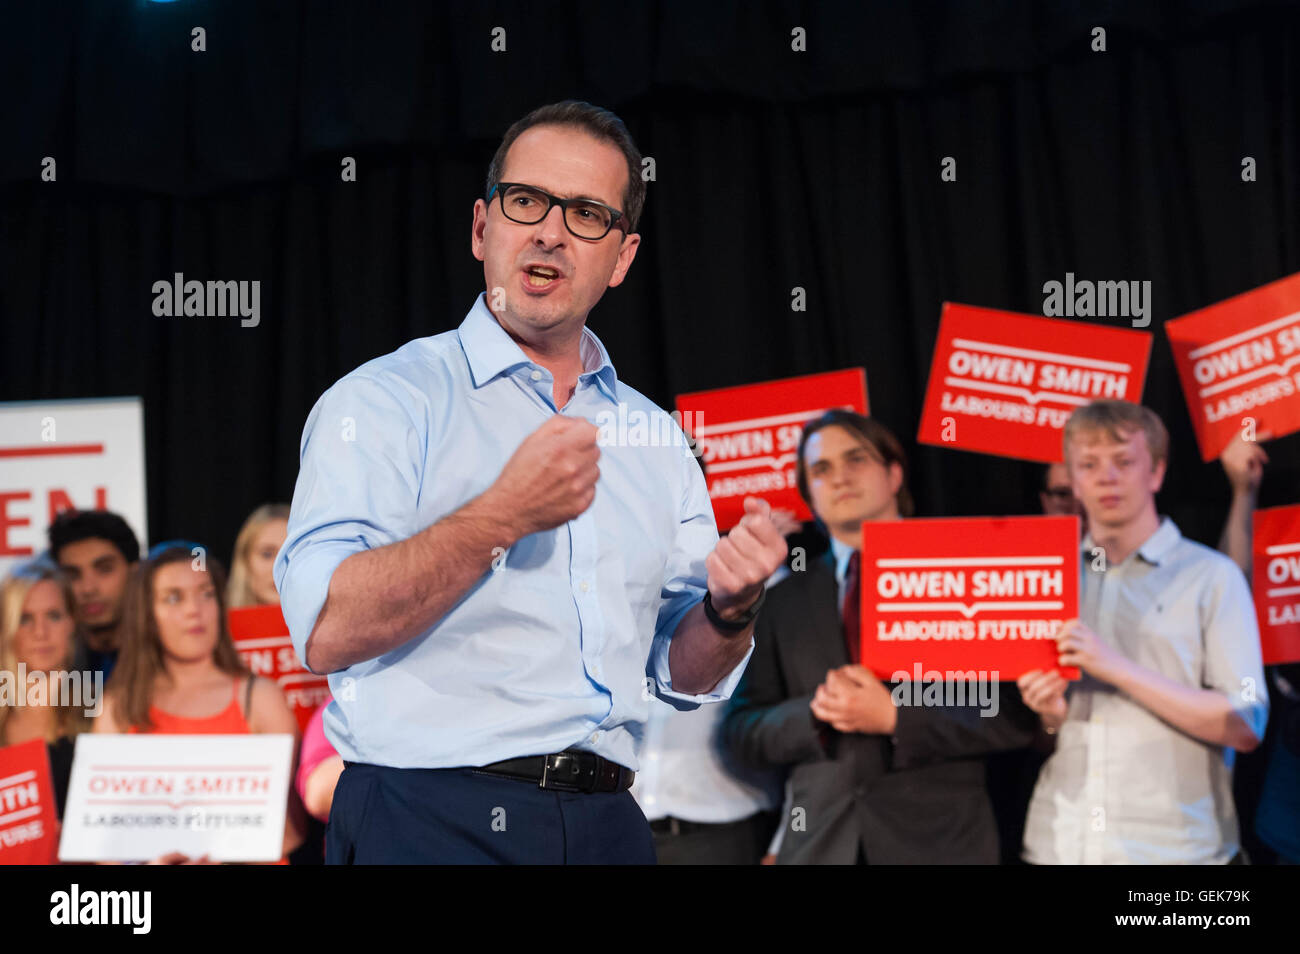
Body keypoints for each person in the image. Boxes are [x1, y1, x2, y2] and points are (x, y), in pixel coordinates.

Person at [275, 100, 787, 865]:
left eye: (587, 214)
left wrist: (730, 611)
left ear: (622, 258)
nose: (550, 231)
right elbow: (325, 629)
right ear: (483, 228)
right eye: (527, 202)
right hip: (428, 820)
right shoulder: (383, 402)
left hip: (610, 823)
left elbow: (680, 675)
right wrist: (499, 518)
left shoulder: (654, 438)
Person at [723, 410, 1038, 864]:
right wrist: (815, 714)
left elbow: (1012, 712)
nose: (840, 478)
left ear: (894, 474)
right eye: (822, 469)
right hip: (820, 846)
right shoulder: (783, 596)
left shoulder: (965, 574)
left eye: (856, 459)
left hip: (940, 845)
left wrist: (896, 716)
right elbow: (740, 731)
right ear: (809, 494)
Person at [1018, 400, 1268, 864]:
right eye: (1088, 465)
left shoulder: (1211, 577)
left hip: (1175, 853)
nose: (1105, 477)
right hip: (1059, 845)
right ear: (1072, 480)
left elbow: (1245, 722)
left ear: (1155, 472)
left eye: (1123, 462)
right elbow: (1040, 738)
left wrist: (1116, 668)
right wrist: (1049, 715)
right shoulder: (1048, 578)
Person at [94, 542, 304, 862]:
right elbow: (103, 845)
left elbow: (293, 827)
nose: (195, 609)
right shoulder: (118, 707)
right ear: (146, 613)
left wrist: (227, 853)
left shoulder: (261, 699)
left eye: (205, 593)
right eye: (174, 597)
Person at [0, 557, 95, 820]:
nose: (40, 632)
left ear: (72, 623)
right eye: (25, 619)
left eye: (53, 616)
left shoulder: (103, 711)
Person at [47, 509, 140, 680]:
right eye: (73, 575)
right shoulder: (46, 669)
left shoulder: (168, 660)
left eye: (105, 569)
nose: (88, 589)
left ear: (135, 572)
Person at [227, 503, 290, 608]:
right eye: (267, 554)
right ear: (245, 561)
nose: (279, 567)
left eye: (290, 555)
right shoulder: (220, 622)